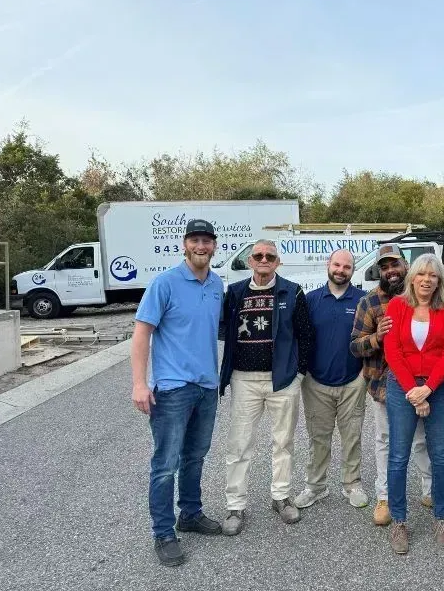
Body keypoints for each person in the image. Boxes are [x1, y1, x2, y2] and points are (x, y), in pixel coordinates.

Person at [130, 218, 224, 567]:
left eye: (207, 241)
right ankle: (164, 533)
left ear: (215, 246)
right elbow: (142, 334)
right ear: (185, 244)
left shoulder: (216, 284)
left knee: (195, 457)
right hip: (171, 389)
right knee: (165, 464)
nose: (201, 246)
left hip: (206, 387)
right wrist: (140, 383)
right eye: (195, 240)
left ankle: (190, 514)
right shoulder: (164, 283)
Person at [219, 239, 312, 534]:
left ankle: (281, 496)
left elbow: (306, 336)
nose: (263, 260)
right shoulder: (234, 293)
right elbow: (223, 332)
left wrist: (298, 374)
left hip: (282, 380)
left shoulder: (292, 291)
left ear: (277, 262)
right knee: (239, 444)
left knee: (283, 442)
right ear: (249, 261)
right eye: (258, 255)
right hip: (244, 379)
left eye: (269, 256)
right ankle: (235, 505)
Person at [349, 244, 435, 527]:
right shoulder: (370, 302)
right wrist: (376, 337)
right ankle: (384, 497)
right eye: (384, 267)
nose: (391, 271)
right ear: (379, 271)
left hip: (422, 385)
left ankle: (429, 491)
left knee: (423, 440)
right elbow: (354, 346)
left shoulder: (425, 297)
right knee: (385, 442)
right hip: (385, 386)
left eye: (394, 264)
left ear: (405, 265)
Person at [383, 253, 444, 554]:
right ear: (412, 277)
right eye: (422, 274)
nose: (427, 280)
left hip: (437, 388)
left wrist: (427, 389)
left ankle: (441, 517)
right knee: (398, 456)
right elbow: (393, 350)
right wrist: (414, 391)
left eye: (433, 275)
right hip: (403, 386)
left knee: (440, 454)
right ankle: (399, 520)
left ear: (439, 280)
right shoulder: (397, 306)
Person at [293, 249, 368, 509]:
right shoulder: (311, 299)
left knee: (352, 436)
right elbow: (299, 339)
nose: (341, 270)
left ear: (352, 270)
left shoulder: (363, 300)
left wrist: (363, 376)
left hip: (353, 382)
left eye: (346, 267)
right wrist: (304, 374)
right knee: (318, 438)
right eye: (337, 264)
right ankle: (315, 487)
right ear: (328, 265)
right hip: (316, 384)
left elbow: (371, 341)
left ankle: (352, 484)